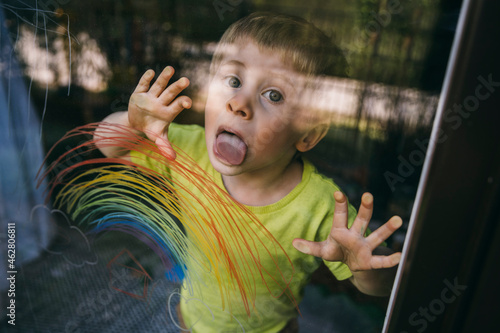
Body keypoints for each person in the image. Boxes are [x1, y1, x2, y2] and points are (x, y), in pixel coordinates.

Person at [95, 12, 402, 333]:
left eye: (273, 95)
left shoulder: (322, 204)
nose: (239, 103)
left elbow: (379, 287)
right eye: (233, 81)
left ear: (307, 135)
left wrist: (365, 268)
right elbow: (105, 145)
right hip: (193, 319)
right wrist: (132, 125)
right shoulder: (185, 149)